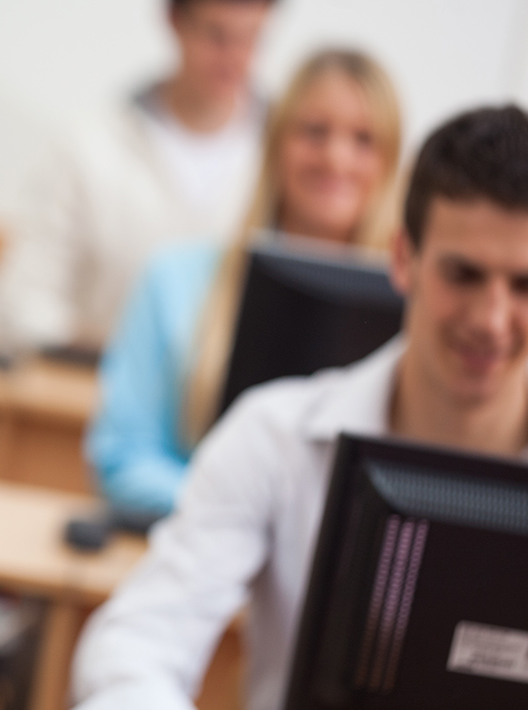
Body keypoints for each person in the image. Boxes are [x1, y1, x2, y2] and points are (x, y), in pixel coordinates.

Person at [71, 104, 528, 709]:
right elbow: (136, 644)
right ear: (403, 259)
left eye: (525, 284)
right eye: (463, 275)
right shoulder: (275, 437)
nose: (492, 320)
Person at [88, 49, 401, 514]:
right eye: (315, 132)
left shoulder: (416, 311)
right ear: (275, 144)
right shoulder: (173, 279)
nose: (336, 157)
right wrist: (235, 514)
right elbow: (122, 457)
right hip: (198, 550)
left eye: (363, 139)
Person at [0, 0, 275, 351]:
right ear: (174, 21)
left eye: (250, 38)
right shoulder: (90, 148)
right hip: (96, 389)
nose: (233, 57)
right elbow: (20, 302)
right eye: (215, 35)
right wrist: (118, 355)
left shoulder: (286, 156)